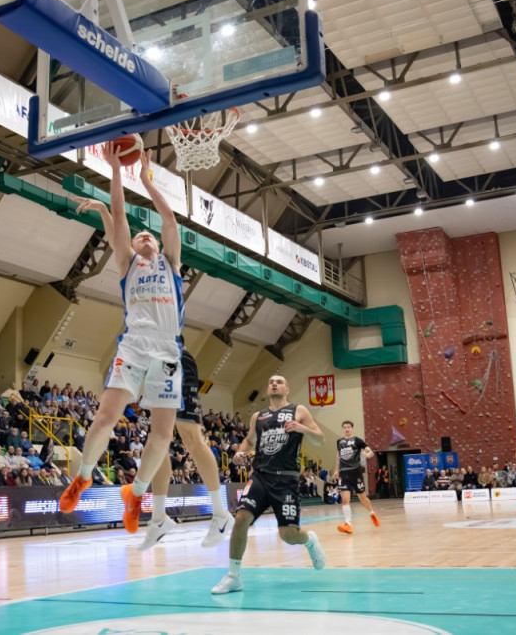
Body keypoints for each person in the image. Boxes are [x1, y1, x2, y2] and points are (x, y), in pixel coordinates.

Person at [60, 141, 186, 536]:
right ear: (129, 245)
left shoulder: (171, 262)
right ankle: (83, 477)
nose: (145, 235)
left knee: (162, 435)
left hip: (167, 348)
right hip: (134, 344)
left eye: (150, 235)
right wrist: (116, 170)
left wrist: (146, 180)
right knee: (105, 418)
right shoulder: (127, 263)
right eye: (139, 234)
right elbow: (118, 216)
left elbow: (169, 219)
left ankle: (136, 493)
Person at [211, 375, 326, 594]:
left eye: (279, 382)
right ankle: (233, 576)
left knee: (288, 535)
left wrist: (302, 429)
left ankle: (310, 540)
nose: (274, 383)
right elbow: (249, 440)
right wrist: (240, 452)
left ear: (287, 389)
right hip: (260, 476)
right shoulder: (258, 416)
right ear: (267, 389)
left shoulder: (299, 410)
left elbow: (320, 439)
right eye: (271, 381)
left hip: (287, 480)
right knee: (241, 518)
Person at [138, 348, 234, 551]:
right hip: (154, 362)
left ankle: (221, 514)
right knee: (157, 440)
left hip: (174, 358)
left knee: (190, 437)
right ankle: (159, 519)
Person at [334, 420, 379, 534]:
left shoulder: (357, 440)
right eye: (345, 427)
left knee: (362, 498)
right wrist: (336, 470)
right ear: (343, 429)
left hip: (356, 472)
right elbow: (338, 456)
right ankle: (348, 524)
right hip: (344, 473)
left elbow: (371, 452)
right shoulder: (339, 442)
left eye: (348, 427)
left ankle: (372, 513)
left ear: (352, 428)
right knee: (345, 499)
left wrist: (366, 455)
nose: (347, 429)